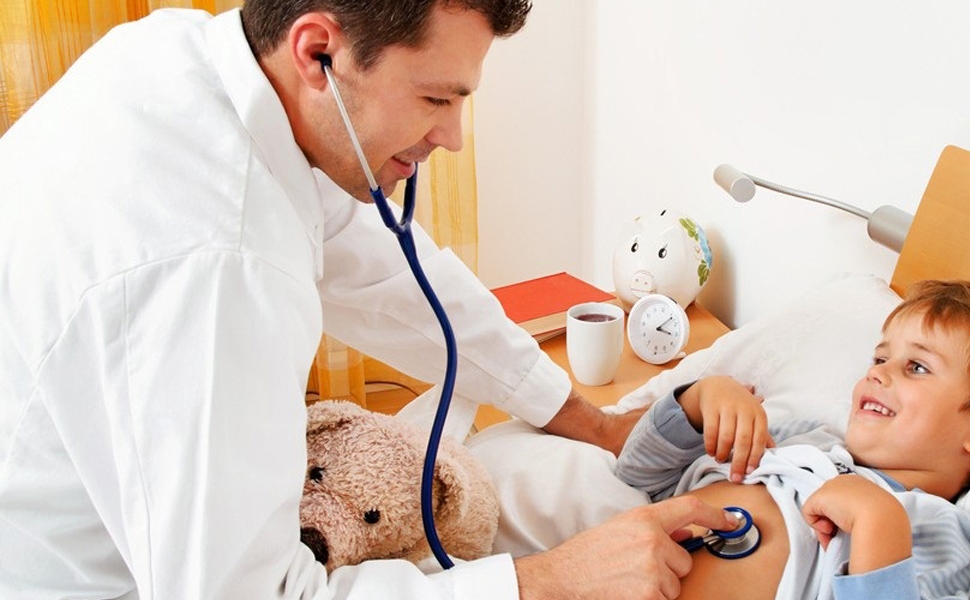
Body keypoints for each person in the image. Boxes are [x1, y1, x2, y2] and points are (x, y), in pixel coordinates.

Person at [0, 1, 734, 598]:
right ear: (318, 51)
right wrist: (549, 582)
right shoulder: (217, 268)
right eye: (435, 98)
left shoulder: (195, 65)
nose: (451, 136)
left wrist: (592, 422)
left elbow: (396, 279)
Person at [615, 280, 970, 600]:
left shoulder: (933, 529)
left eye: (917, 367)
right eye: (880, 358)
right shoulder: (799, 440)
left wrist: (877, 520)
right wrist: (699, 402)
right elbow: (638, 479)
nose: (877, 373)